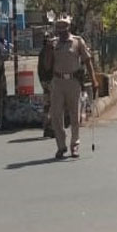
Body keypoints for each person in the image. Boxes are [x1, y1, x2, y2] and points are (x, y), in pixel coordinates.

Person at [42, 15, 98, 158]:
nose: (61, 30)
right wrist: (48, 49)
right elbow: (47, 66)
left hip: (73, 82)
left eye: (64, 27)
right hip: (58, 82)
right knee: (56, 115)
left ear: (69, 27)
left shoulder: (77, 42)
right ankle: (61, 146)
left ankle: (75, 145)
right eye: (59, 27)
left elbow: (87, 61)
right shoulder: (54, 44)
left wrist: (94, 80)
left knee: (75, 115)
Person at [37, 29, 55, 138]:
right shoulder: (51, 51)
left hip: (45, 81)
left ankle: (47, 127)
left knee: (47, 105)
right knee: (53, 105)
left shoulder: (42, 52)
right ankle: (51, 127)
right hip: (51, 81)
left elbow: (39, 70)